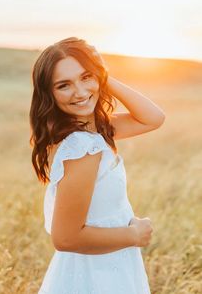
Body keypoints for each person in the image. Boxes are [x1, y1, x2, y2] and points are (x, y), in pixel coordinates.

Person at [29, 37, 165, 294]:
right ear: (50, 94)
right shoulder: (83, 146)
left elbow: (154, 118)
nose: (80, 92)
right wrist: (134, 236)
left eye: (85, 77)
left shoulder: (94, 130)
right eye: (64, 85)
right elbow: (66, 237)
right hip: (96, 275)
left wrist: (102, 76)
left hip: (105, 263)